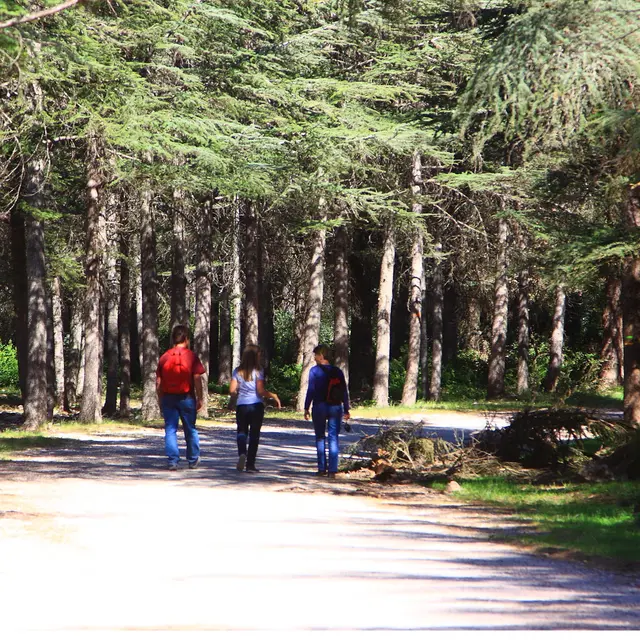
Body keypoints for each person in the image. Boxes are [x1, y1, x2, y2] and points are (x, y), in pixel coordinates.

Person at [156, 324, 206, 471]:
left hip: (168, 398)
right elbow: (197, 379)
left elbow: (158, 382)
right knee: (190, 429)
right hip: (187, 397)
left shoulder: (164, 357)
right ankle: (193, 459)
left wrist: (160, 399)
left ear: (173, 339)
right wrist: (200, 397)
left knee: (170, 430)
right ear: (187, 339)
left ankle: (173, 461)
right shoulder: (191, 356)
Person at [229, 344, 281, 473]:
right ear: (254, 356)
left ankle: (242, 453)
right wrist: (273, 395)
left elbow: (231, 390)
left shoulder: (237, 371)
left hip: (242, 405)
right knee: (254, 435)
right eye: (259, 354)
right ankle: (250, 464)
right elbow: (260, 390)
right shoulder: (259, 370)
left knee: (241, 431)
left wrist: (237, 391)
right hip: (256, 405)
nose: (260, 357)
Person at [304, 345, 350, 478]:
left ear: (321, 356)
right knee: (333, 438)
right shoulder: (338, 371)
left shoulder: (314, 371)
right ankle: (333, 470)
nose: (314, 357)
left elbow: (311, 390)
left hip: (319, 407)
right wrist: (346, 409)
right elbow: (344, 392)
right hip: (335, 407)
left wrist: (306, 407)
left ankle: (321, 468)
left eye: (316, 355)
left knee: (320, 437)